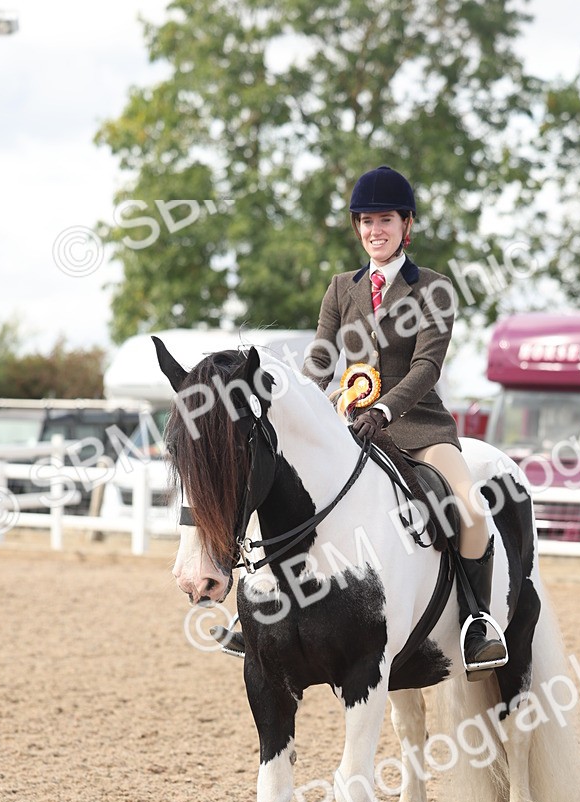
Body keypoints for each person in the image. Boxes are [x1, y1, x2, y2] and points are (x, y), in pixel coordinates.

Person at [214, 165, 508, 670]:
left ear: (406, 225)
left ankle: (477, 621)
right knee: (285, 492)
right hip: (350, 429)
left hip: (417, 428)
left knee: (470, 509)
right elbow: (321, 363)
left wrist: (386, 408)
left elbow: (426, 367)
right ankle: (262, 612)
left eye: (386, 220)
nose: (376, 230)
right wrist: (300, 403)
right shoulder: (340, 288)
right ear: (357, 228)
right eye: (367, 221)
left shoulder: (434, 289)